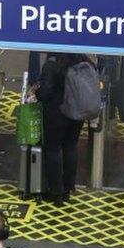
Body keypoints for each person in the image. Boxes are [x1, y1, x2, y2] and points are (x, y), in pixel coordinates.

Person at [36, 53, 88, 205]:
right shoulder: (82, 60)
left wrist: (36, 92)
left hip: (56, 114)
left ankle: (55, 192)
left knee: (53, 149)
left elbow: (45, 93)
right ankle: (67, 189)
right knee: (71, 147)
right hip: (77, 113)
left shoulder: (51, 64)